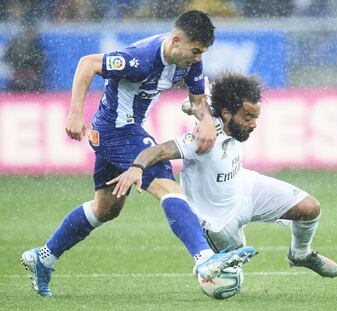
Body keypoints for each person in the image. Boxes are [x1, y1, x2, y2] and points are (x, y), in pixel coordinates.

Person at [21, 11, 256, 297]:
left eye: (201, 53)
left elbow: (196, 100)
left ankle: (43, 256)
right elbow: (88, 64)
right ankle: (204, 258)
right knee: (169, 187)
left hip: (120, 132)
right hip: (117, 131)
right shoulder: (140, 59)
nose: (197, 58)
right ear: (177, 40)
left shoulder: (190, 60)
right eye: (195, 51)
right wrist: (74, 113)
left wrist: (206, 119)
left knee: (106, 208)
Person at [108, 73, 337, 279]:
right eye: (248, 117)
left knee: (310, 208)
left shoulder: (215, 111)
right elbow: (158, 150)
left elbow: (194, 102)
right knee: (228, 282)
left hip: (245, 187)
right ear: (227, 114)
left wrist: (196, 107)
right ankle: (206, 270)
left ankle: (300, 254)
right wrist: (137, 167)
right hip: (218, 222)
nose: (254, 124)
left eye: (256, 117)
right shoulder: (204, 138)